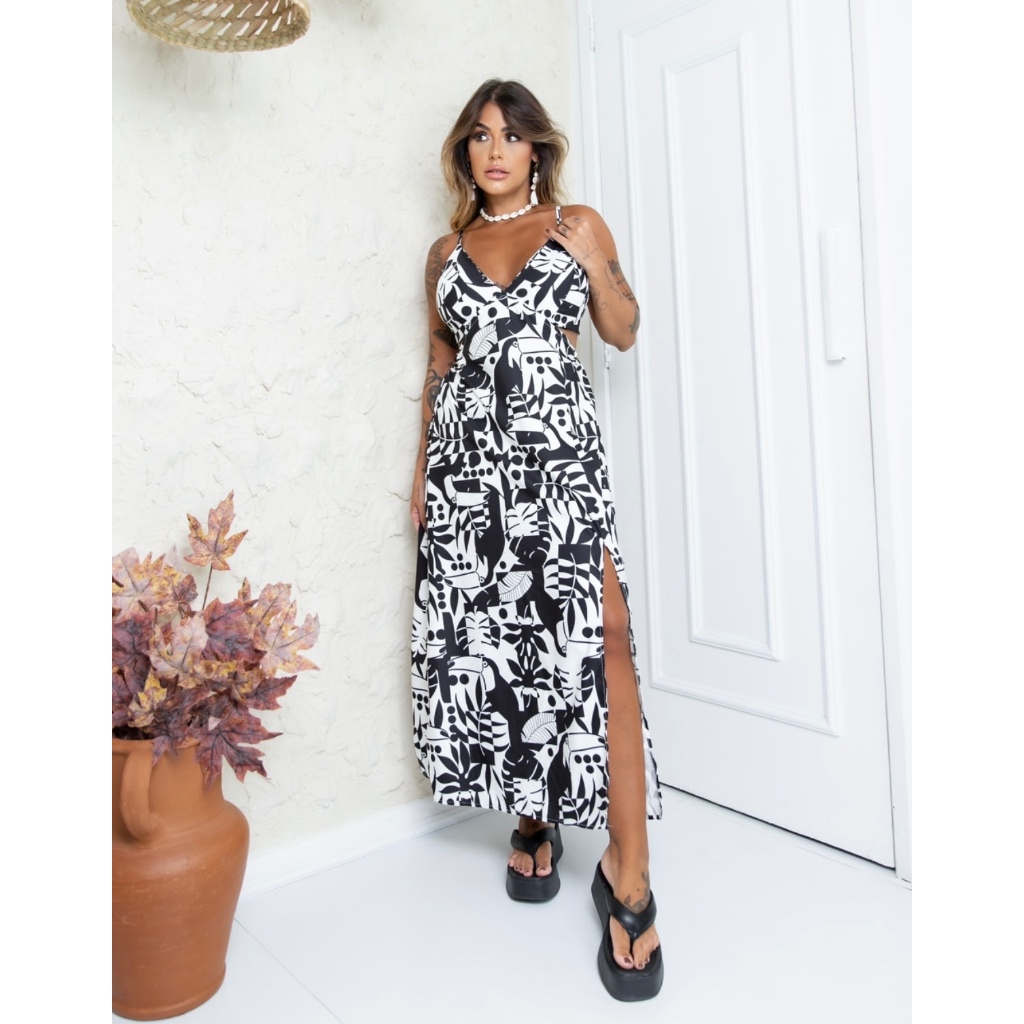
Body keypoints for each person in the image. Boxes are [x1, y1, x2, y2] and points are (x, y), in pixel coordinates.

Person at [410, 79, 664, 1001]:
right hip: (471, 480)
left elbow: (623, 332)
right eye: (479, 136)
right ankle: (533, 820)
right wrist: (422, 479)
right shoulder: (445, 254)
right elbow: (440, 368)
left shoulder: (575, 224)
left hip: (560, 468)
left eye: (511, 136)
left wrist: (596, 262)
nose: (495, 150)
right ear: (465, 153)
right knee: (504, 648)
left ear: (536, 150)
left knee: (605, 642)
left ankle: (628, 875)